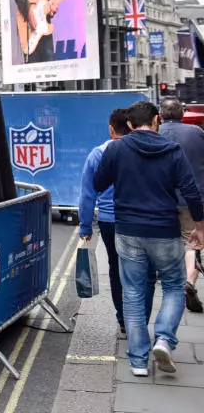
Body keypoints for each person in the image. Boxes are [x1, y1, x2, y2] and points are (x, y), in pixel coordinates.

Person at [93, 100, 204, 376]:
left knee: (132, 292)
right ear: (157, 120)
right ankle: (164, 339)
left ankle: (139, 361)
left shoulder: (117, 148)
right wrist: (200, 227)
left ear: (129, 125)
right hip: (164, 230)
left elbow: (98, 183)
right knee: (173, 285)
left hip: (128, 230)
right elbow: (191, 191)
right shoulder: (173, 151)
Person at [79, 108, 155, 331]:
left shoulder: (98, 153)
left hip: (109, 220)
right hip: (142, 218)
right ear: (131, 126)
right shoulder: (143, 149)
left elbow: (87, 193)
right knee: (143, 270)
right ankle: (140, 318)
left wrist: (85, 224)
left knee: (116, 267)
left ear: (111, 129)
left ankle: (123, 317)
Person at [155, 97, 204, 314]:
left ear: (160, 115)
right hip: (191, 199)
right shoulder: (196, 133)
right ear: (182, 114)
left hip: (161, 199)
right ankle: (189, 281)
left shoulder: (155, 134)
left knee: (164, 241)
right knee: (192, 242)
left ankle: (171, 281)